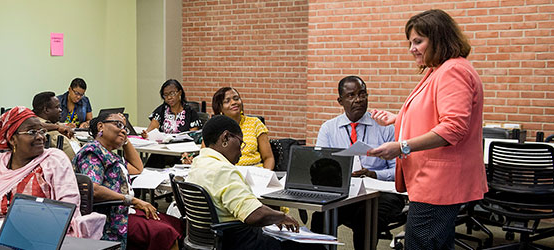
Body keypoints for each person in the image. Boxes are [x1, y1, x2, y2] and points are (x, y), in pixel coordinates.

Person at [367, 9, 486, 249]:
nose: (412, 48)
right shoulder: (438, 70)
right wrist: (398, 118)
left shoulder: (453, 71)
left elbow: (453, 128)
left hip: (439, 183)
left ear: (439, 39)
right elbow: (433, 113)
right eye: (410, 42)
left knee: (421, 243)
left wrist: (401, 146)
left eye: (418, 41)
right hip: (431, 182)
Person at [0, 106, 104, 239]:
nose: (41, 137)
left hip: (37, 238)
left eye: (41, 131)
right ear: (12, 139)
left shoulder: (54, 160)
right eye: (32, 132)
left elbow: (68, 207)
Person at [187, 115, 322, 250]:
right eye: (240, 144)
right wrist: (281, 217)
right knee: (316, 248)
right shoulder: (223, 170)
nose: (240, 153)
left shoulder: (197, 164)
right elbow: (254, 215)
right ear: (226, 138)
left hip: (214, 241)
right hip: (240, 242)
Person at [312, 75, 406, 249]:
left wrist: (374, 174)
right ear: (340, 101)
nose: (359, 100)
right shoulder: (328, 128)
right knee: (320, 216)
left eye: (363, 94)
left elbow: (398, 170)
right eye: (351, 95)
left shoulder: (385, 127)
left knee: (366, 218)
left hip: (381, 191)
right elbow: (320, 166)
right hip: (346, 191)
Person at [73, 112, 183, 250]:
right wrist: (133, 200)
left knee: (176, 223)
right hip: (110, 217)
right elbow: (94, 188)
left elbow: (137, 168)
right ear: (101, 126)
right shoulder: (92, 152)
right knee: (165, 232)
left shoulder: (109, 154)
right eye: (118, 124)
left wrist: (125, 139)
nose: (123, 130)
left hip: (123, 210)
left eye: (125, 128)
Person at [140, 79, 203, 167]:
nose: (169, 97)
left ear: (180, 93)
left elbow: (193, 136)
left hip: (182, 151)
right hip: (163, 151)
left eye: (172, 93)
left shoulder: (190, 112)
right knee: (150, 168)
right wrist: (146, 135)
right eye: (165, 95)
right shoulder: (161, 110)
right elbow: (151, 130)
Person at [211, 87, 275, 170]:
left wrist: (266, 177)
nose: (234, 102)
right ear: (220, 108)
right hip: (226, 174)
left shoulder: (255, 123)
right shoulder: (214, 127)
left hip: (254, 173)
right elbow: (205, 157)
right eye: (227, 101)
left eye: (236, 99)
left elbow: (268, 158)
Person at [32, 91, 78, 159]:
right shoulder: (36, 126)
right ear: (46, 110)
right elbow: (36, 125)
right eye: (57, 107)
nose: (60, 110)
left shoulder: (54, 122)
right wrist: (57, 127)